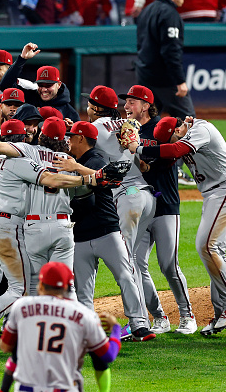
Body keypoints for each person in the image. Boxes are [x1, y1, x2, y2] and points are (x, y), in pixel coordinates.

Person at [0, 120, 97, 357]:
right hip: (11, 226)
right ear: (21, 140)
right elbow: (53, 181)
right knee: (21, 288)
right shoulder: (24, 159)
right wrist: (88, 177)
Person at [128, 116, 226, 336]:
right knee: (214, 251)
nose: (172, 141)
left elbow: (174, 150)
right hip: (215, 194)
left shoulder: (201, 129)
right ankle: (222, 311)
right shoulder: (184, 133)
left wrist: (139, 147)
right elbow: (166, 156)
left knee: (206, 246)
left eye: (172, 137)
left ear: (178, 128)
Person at [54, 120, 155, 342]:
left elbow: (109, 177)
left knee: (125, 276)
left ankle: (139, 325)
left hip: (106, 232)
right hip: (79, 234)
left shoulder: (95, 158)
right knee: (83, 287)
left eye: (71, 137)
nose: (68, 141)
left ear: (81, 138)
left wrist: (77, 168)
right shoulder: (72, 161)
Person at [121, 85, 197, 334]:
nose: (126, 106)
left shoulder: (162, 127)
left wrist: (140, 156)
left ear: (145, 105)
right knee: (134, 263)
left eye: (132, 102)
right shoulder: (128, 130)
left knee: (168, 265)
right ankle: (158, 317)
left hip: (165, 205)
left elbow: (168, 159)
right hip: (140, 207)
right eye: (126, 102)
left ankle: (187, 315)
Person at [0, 262, 122, 392]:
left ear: (40, 285)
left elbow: (5, 347)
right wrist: (116, 328)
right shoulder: (85, 315)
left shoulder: (21, 307)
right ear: (68, 287)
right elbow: (108, 355)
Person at [136, 0, 196, 119]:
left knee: (148, 122)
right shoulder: (169, 14)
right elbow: (171, 51)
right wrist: (179, 80)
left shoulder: (146, 10)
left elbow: (140, 45)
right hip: (164, 78)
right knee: (188, 123)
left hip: (145, 74)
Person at [0, 43, 80, 122]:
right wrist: (22, 59)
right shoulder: (30, 97)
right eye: (40, 85)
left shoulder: (69, 112)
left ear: (58, 85)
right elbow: (6, 86)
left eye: (48, 85)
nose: (44, 89)